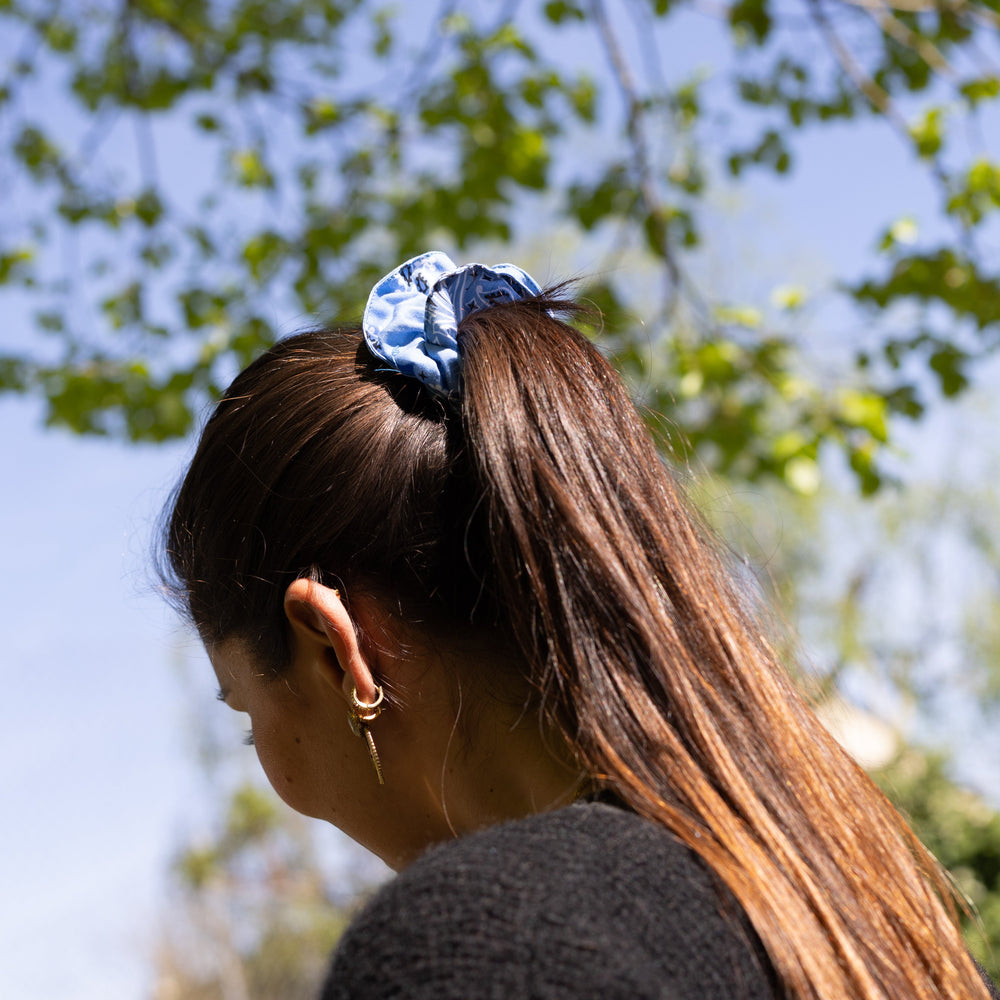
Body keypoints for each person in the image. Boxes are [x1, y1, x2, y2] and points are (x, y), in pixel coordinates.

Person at [163, 251, 1000, 999]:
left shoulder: (476, 951)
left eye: (245, 715)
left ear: (339, 649)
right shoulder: (848, 885)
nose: (266, 765)